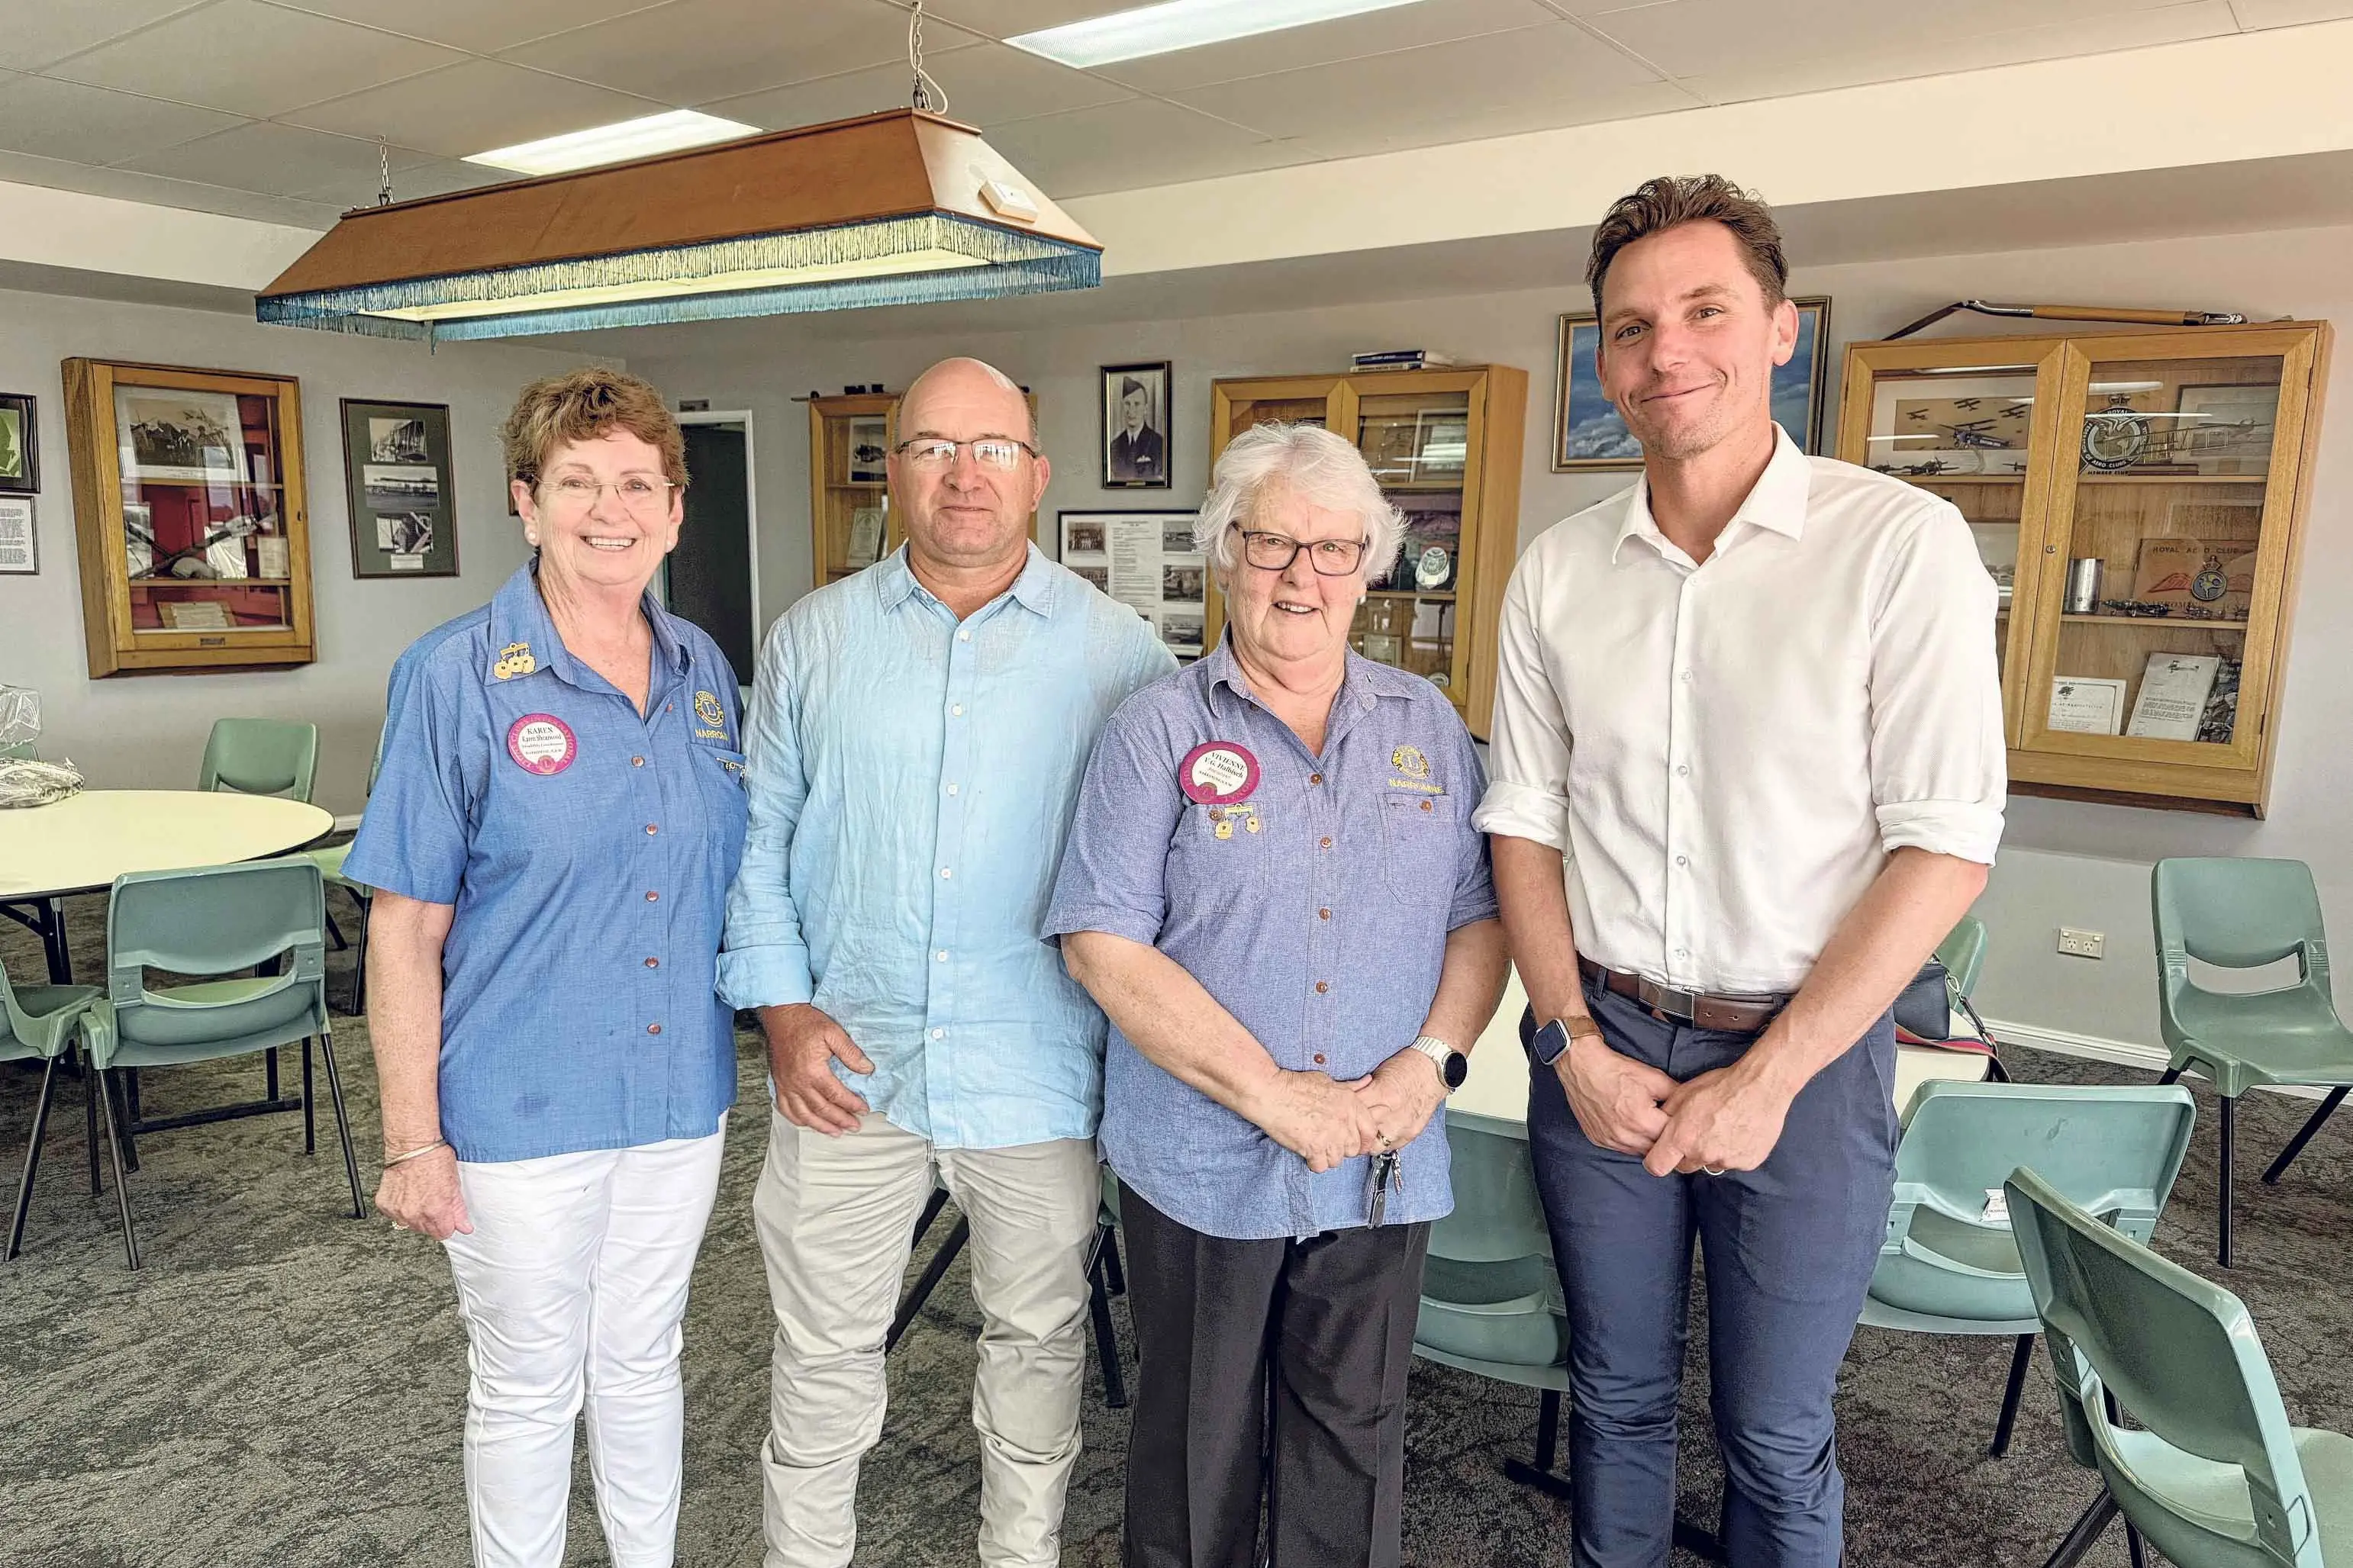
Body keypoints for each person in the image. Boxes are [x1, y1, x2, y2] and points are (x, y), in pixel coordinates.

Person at [1474, 174, 2006, 1568]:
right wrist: (1565, 1036)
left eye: (1704, 310)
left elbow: (1944, 843)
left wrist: (1767, 1079)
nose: (1666, 351)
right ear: (1602, 357)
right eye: (1631, 325)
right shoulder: (1557, 572)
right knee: (1618, 1398)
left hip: (1805, 1055)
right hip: (1601, 1036)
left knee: (1772, 1431)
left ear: (1779, 330)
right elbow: (1520, 823)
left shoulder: (1897, 546)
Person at [723, 356, 1175, 1568]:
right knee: (819, 1353)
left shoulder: (1120, 654)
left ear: (1035, 477)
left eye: (988, 449)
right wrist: (779, 1009)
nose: (960, 474)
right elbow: (753, 842)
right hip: (846, 1066)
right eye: (930, 446)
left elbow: (1161, 878)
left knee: (1037, 1347)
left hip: (1034, 1071)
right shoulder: (812, 640)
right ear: (893, 473)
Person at [1048, 420, 1509, 1568]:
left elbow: (1483, 916)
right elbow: (1101, 944)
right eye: (1269, 544)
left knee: (1351, 1444)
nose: (1300, 575)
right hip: (1202, 1166)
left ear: (1368, 565)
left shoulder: (1429, 732)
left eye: (1332, 548)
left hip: (1379, 1153)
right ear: (1222, 553)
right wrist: (1271, 1096)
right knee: (1195, 1447)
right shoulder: (1154, 728)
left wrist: (1429, 1062)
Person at [347, 367, 747, 1568]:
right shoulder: (453, 676)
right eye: (577, 481)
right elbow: (402, 929)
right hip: (516, 1106)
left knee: (642, 1356)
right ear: (527, 501)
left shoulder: (704, 672)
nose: (607, 508)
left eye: (636, 482)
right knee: (527, 1382)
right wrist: (412, 1137)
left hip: (678, 1097)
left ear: (674, 508)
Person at [1108, 375, 1165, 483]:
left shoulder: (1159, 444)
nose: (1131, 411)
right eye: (1127, 404)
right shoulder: (1114, 447)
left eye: (1137, 404)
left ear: (1146, 409)